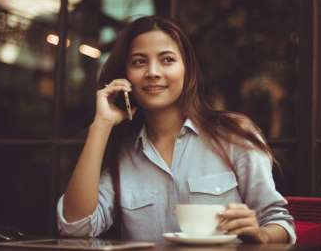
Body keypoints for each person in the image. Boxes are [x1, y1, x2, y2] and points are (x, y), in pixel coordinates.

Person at [57, 16, 296, 243]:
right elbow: (75, 228)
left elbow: (279, 223)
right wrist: (101, 125)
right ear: (126, 76)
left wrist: (261, 234)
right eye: (139, 62)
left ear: (187, 70)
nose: (152, 72)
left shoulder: (233, 134)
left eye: (167, 60)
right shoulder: (122, 154)